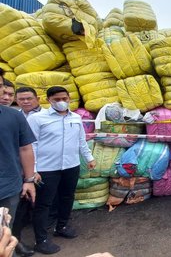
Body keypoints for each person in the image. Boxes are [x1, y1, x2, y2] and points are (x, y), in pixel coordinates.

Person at [27, 86, 96, 254]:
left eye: (64, 99)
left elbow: (81, 140)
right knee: (44, 203)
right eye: (57, 99)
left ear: (69, 98)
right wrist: (33, 169)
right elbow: (31, 145)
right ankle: (41, 239)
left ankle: (62, 226)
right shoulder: (37, 118)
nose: (61, 102)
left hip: (71, 165)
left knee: (67, 197)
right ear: (48, 100)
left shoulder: (76, 118)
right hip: (46, 169)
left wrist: (89, 158)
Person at [0, 75, 36, 246]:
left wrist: (29, 180)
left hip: (7, 189)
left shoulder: (14, 116)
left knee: (6, 233)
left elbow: (25, 148)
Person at [13, 86, 44, 256]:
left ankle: (16, 240)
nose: (25, 102)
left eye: (29, 98)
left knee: (22, 207)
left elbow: (29, 147)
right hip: (14, 167)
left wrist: (32, 172)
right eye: (21, 99)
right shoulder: (14, 115)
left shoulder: (44, 115)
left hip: (34, 167)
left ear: (37, 98)